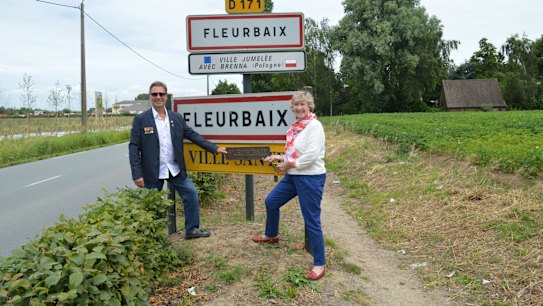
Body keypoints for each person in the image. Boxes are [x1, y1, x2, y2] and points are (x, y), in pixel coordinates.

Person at [129, 81, 227, 240]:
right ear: (150, 97)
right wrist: (137, 174)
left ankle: (192, 230)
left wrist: (214, 149)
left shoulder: (176, 118)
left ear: (166, 97)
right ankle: (149, 238)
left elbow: (193, 135)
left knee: (191, 193)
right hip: (152, 171)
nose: (158, 97)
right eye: (155, 94)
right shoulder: (141, 119)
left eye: (161, 94)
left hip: (174, 168)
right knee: (150, 205)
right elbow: (134, 147)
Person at [252, 91, 327, 281]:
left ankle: (319, 263)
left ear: (309, 106)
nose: (300, 108)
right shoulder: (296, 127)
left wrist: (287, 164)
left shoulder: (314, 126)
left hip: (310, 177)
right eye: (296, 105)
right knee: (271, 202)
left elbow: (311, 155)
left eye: (303, 104)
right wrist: (278, 158)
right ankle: (271, 235)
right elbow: (294, 153)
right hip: (294, 175)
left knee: (311, 219)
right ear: (292, 107)